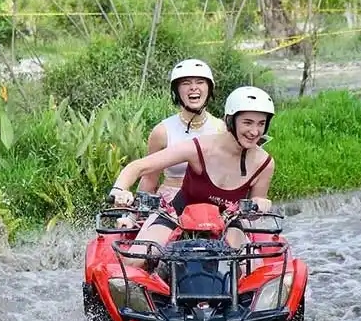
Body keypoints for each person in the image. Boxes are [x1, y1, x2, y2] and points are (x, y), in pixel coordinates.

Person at [109, 86, 277, 269]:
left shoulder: (264, 163)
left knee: (251, 268)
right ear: (231, 120)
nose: (255, 131)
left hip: (228, 221)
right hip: (177, 215)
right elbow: (138, 167)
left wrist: (261, 202)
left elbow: (253, 213)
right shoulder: (200, 148)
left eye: (261, 124)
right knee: (135, 261)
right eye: (248, 122)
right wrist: (119, 190)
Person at [137, 58, 226, 205]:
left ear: (209, 88)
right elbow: (149, 179)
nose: (193, 87)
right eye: (186, 83)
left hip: (211, 202)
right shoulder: (162, 131)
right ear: (176, 91)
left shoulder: (222, 129)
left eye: (200, 82)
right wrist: (132, 215)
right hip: (170, 202)